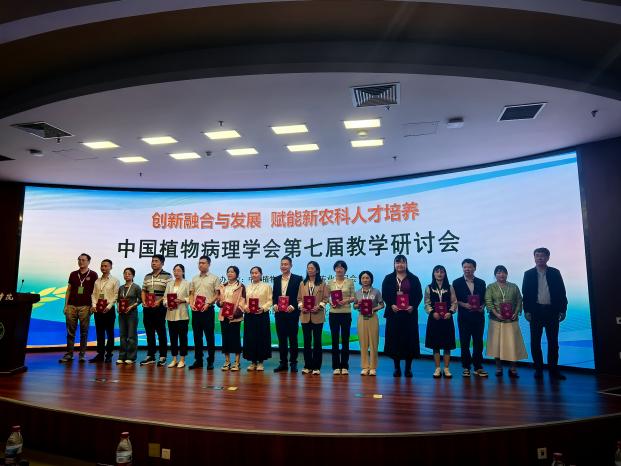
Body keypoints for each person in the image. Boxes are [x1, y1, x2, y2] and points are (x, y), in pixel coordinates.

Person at [522, 247, 568, 380]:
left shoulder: (555, 272)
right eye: (537, 255)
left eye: (542, 255)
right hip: (536, 312)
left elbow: (562, 292)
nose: (539, 258)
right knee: (535, 342)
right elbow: (526, 294)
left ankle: (553, 370)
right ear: (534, 258)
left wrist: (563, 309)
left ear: (548, 258)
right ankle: (538, 370)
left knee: (553, 342)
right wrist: (527, 311)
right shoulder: (528, 274)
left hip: (552, 312)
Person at [381, 255, 423, 378]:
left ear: (406, 264)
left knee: (409, 340)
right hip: (394, 314)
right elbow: (385, 294)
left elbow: (419, 295)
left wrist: (413, 306)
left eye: (403, 262)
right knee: (395, 340)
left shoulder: (413, 278)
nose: (400, 265)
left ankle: (408, 368)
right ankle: (397, 368)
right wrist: (391, 305)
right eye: (397, 262)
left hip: (409, 315)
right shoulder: (389, 278)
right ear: (394, 264)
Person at [485, 265, 527, 377]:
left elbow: (519, 300)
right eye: (498, 272)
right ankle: (499, 368)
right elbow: (488, 302)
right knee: (496, 346)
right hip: (496, 320)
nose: (501, 274)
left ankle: (513, 369)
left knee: (512, 345)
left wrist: (516, 312)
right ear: (495, 275)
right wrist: (497, 314)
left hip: (511, 320)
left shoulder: (513, 286)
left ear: (507, 274)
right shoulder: (491, 287)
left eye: (503, 272)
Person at [59, 253, 98, 363]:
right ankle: (69, 354)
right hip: (71, 306)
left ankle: (82, 355)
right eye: (79, 259)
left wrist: (93, 306)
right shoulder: (73, 274)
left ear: (88, 262)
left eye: (83, 260)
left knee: (84, 332)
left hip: (85, 307)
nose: (81, 262)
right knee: (70, 332)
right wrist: (65, 305)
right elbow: (69, 290)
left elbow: (95, 292)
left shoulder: (93, 275)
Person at [452, 259, 488, 377]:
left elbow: (485, 299)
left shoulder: (481, 282)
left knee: (478, 342)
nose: (467, 269)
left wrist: (483, 306)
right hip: (464, 317)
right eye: (465, 267)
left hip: (478, 317)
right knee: (464, 342)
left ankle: (478, 366)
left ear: (474, 268)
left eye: (470, 267)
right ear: (462, 268)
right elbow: (454, 299)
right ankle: (466, 367)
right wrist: (464, 304)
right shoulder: (456, 282)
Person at [424, 265, 458, 378]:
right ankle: (437, 368)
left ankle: (446, 368)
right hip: (434, 319)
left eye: (442, 272)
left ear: (445, 274)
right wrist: (432, 312)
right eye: (437, 271)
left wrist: (450, 312)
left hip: (447, 319)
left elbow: (454, 302)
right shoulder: (429, 287)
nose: (439, 274)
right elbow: (426, 303)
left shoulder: (450, 287)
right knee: (436, 345)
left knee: (447, 345)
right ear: (433, 274)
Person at [188, 256, 220, 370]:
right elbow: (191, 293)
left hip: (208, 310)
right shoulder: (194, 278)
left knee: (209, 336)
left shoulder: (214, 278)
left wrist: (208, 303)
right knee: (197, 336)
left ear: (209, 264)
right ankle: (198, 360)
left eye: (203, 263)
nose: (201, 265)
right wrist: (191, 303)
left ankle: (210, 360)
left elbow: (217, 294)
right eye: (199, 263)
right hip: (196, 311)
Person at [272, 256, 303, 373]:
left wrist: (294, 306)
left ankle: (293, 363)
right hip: (279, 313)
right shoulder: (276, 279)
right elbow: (274, 295)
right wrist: (275, 304)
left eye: (286, 264)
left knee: (293, 339)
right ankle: (283, 363)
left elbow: (300, 296)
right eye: (282, 264)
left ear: (291, 265)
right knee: (282, 339)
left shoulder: (298, 279)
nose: (283, 266)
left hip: (292, 313)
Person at [297, 261, 329, 375]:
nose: (310, 270)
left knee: (317, 342)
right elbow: (299, 299)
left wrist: (319, 306)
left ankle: (316, 367)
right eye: (308, 268)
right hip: (305, 316)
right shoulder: (302, 283)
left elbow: (326, 298)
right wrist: (301, 306)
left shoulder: (322, 284)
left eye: (312, 268)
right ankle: (307, 366)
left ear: (317, 270)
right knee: (306, 342)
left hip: (317, 316)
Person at [140, 254, 171, 366]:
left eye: (156, 261)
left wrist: (159, 301)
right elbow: (144, 290)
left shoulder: (167, 276)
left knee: (161, 332)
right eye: (152, 261)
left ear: (162, 263)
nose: (153, 263)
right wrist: (144, 301)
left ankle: (163, 356)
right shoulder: (147, 276)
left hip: (160, 308)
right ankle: (151, 356)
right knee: (149, 332)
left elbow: (169, 292)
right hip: (148, 308)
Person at [327, 260, 356, 375]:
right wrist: (331, 302)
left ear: (345, 270)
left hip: (345, 313)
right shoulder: (330, 282)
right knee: (334, 340)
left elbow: (353, 297)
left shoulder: (350, 282)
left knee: (345, 340)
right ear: (334, 269)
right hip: (333, 313)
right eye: (337, 267)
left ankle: (344, 366)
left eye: (341, 267)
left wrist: (346, 300)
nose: (339, 269)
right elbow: (327, 297)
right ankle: (335, 366)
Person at [353, 270, 384, 376]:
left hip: (372, 318)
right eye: (363, 278)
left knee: (374, 343)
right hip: (361, 318)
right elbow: (354, 306)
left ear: (371, 279)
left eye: (367, 278)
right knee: (363, 343)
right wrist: (358, 304)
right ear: (360, 280)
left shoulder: (376, 291)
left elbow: (382, 304)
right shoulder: (357, 292)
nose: (365, 280)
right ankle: (365, 366)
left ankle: (373, 367)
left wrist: (373, 309)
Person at [242, 266, 273, 371]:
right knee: (250, 338)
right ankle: (252, 362)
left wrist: (263, 308)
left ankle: (260, 362)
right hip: (249, 315)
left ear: (261, 274)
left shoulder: (267, 286)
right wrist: (245, 307)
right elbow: (243, 301)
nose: (254, 275)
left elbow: (270, 300)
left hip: (261, 315)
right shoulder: (247, 287)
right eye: (252, 273)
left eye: (256, 273)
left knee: (261, 338)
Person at [89, 259, 120, 363]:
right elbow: (94, 295)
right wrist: (94, 305)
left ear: (111, 267)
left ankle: (109, 354)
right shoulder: (97, 281)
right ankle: (100, 354)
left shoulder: (115, 280)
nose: (103, 268)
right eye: (102, 266)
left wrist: (109, 306)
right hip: (98, 309)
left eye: (106, 266)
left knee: (110, 333)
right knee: (100, 333)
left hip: (109, 310)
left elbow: (116, 295)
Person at [217, 266, 245, 371]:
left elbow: (242, 303)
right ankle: (227, 361)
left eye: (232, 272)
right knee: (225, 339)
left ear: (237, 274)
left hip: (235, 317)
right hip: (223, 316)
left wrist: (235, 314)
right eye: (228, 272)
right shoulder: (222, 286)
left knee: (235, 339)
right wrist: (220, 303)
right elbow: (218, 300)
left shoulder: (241, 286)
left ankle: (237, 362)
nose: (229, 273)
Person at [164, 264, 191, 368]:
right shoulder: (169, 283)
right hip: (171, 314)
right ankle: (174, 359)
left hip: (182, 314)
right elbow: (165, 298)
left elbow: (191, 298)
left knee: (183, 338)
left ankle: (182, 360)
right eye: (175, 270)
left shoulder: (187, 283)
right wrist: (166, 304)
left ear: (183, 272)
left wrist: (182, 300)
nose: (176, 272)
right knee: (173, 337)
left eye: (179, 270)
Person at [117, 267, 141, 364]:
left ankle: (131, 357)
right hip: (122, 314)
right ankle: (122, 356)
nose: (127, 275)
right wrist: (118, 307)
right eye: (125, 273)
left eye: (129, 274)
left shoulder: (136, 287)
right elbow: (118, 300)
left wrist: (131, 306)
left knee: (131, 336)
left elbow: (140, 300)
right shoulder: (121, 288)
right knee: (122, 335)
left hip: (132, 314)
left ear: (133, 276)